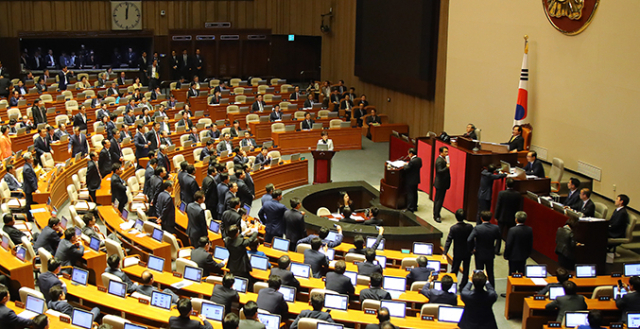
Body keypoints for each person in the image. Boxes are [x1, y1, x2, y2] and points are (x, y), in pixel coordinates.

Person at [467, 211, 501, 288]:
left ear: (481, 218)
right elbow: (498, 238)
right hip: (490, 253)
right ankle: (492, 289)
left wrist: (471, 250)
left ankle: (479, 288)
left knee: (479, 273)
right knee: (490, 272)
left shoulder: (477, 228)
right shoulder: (495, 228)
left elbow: (469, 239)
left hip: (479, 254)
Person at [444, 209, 473, 288]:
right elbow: (473, 239)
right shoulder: (470, 227)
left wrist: (445, 252)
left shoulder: (454, 228)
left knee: (454, 269)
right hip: (467, 251)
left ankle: (452, 285)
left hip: (458, 252)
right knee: (466, 270)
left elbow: (448, 241)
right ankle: (463, 285)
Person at [504, 211, 533, 275]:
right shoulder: (529, 229)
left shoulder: (512, 230)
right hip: (523, 256)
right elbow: (530, 244)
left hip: (513, 257)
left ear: (516, 219)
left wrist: (506, 255)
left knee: (512, 274)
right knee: (522, 274)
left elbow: (509, 244)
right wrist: (527, 254)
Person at [403, 148, 423, 213]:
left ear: (411, 154)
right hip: (416, 179)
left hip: (410, 180)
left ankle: (410, 208)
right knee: (415, 193)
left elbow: (407, 169)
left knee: (410, 194)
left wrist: (404, 166)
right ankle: (415, 206)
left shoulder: (412, 161)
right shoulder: (419, 159)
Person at [433, 146, 450, 222]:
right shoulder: (439, 161)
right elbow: (439, 171)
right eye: (445, 151)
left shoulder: (443, 159)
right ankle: (436, 215)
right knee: (438, 200)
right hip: (440, 183)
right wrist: (446, 167)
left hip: (443, 183)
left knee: (440, 200)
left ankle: (437, 213)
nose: (447, 153)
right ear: (441, 152)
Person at [22, 152, 38, 221]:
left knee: (31, 202)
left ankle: (31, 215)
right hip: (29, 189)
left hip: (30, 188)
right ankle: (29, 218)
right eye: (31, 157)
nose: (32, 158)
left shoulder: (29, 165)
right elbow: (31, 180)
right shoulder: (27, 168)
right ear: (28, 159)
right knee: (29, 204)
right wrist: (35, 188)